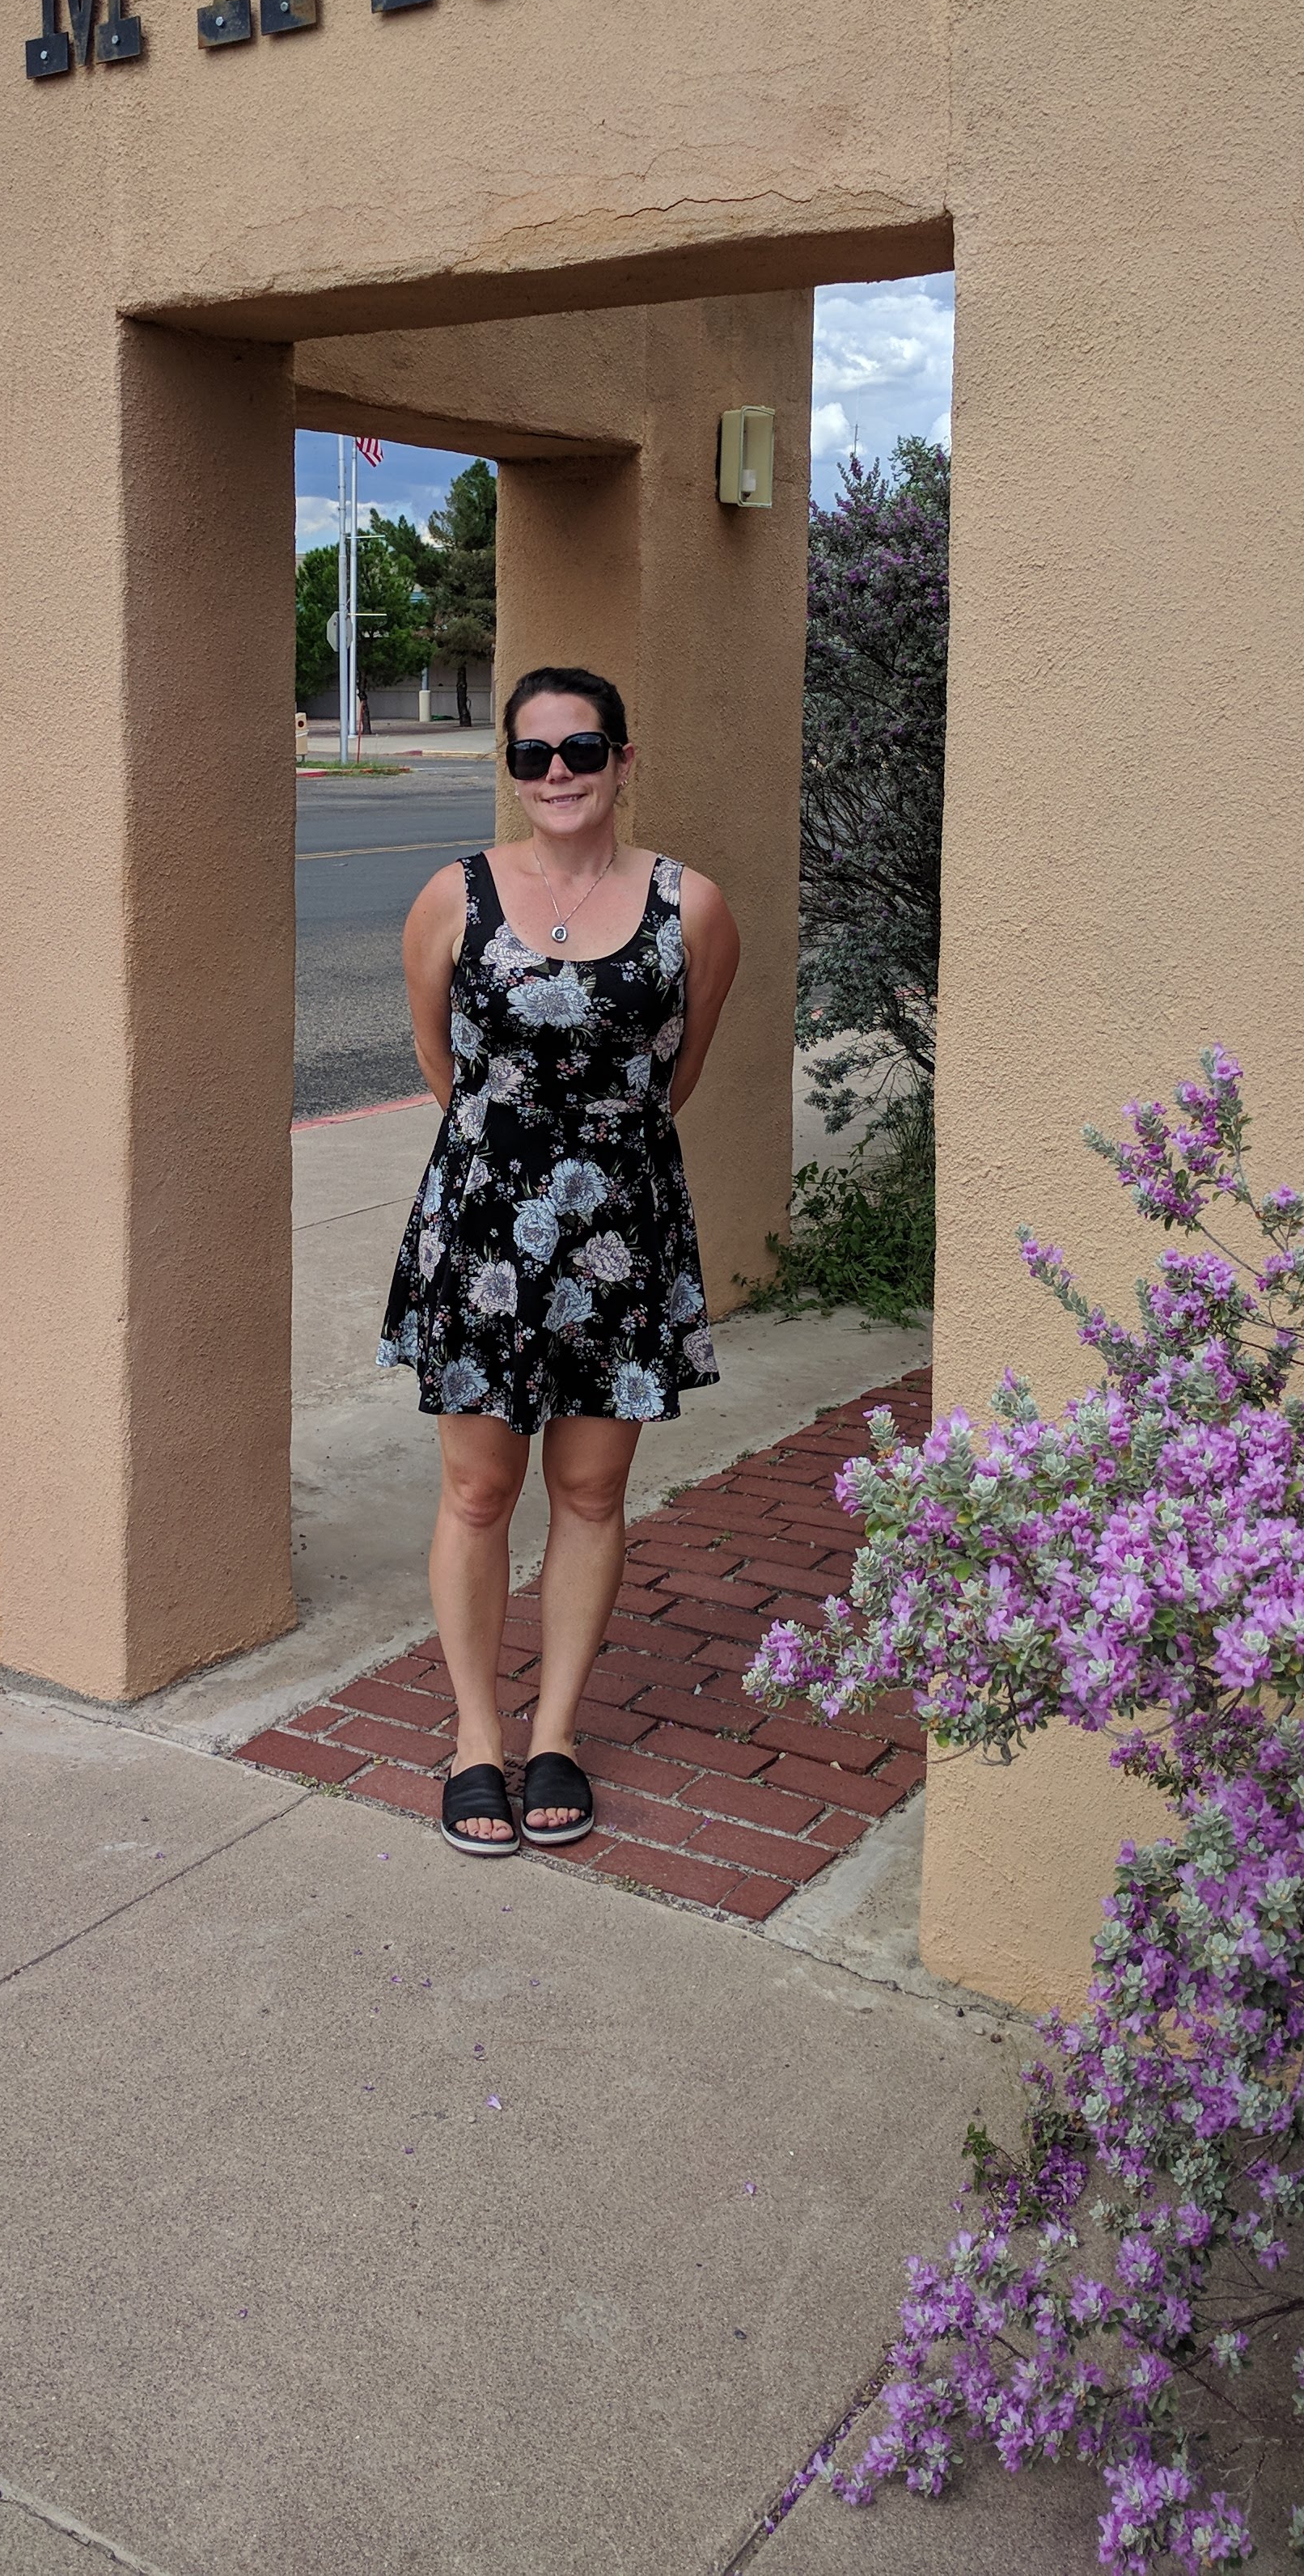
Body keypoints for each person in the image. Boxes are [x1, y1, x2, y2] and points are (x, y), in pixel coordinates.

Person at [376, 668, 740, 1854]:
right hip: (484, 1231)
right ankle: (477, 1737)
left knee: (589, 1492)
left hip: (619, 1236)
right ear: (511, 770)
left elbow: (679, 1073)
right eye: (531, 755)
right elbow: (441, 1063)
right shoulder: (455, 896)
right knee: (478, 1491)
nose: (558, 774)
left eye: (581, 749)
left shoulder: (693, 907)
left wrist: (591, 1164)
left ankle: (557, 1737)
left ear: (623, 760)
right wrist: (516, 1160)